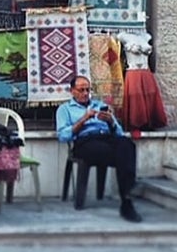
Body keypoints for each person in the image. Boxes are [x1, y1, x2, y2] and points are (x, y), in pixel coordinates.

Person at [56, 74, 142, 222]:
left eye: (88, 90)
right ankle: (128, 193)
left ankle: (127, 195)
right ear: (72, 91)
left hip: (106, 137)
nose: (85, 93)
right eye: (81, 90)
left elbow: (119, 132)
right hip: (84, 141)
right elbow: (63, 136)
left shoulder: (99, 105)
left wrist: (110, 122)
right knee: (118, 155)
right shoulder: (65, 109)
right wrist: (84, 119)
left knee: (127, 144)